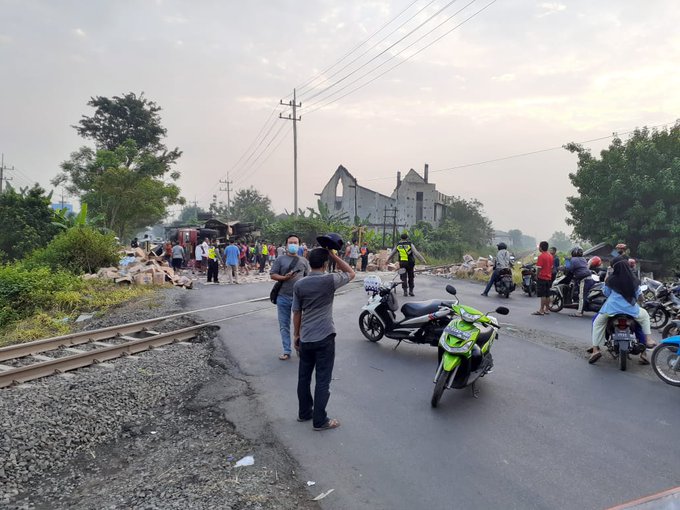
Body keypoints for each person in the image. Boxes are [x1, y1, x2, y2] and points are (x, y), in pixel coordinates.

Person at [293, 247, 355, 431]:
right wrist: (334, 255)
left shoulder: (300, 284)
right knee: (322, 380)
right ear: (326, 263)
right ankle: (320, 421)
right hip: (325, 337)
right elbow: (351, 272)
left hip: (306, 337)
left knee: (303, 377)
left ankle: (304, 413)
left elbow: (297, 312)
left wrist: (296, 334)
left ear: (309, 262)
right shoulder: (330, 280)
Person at [588, 258, 656, 364]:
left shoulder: (611, 279)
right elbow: (639, 296)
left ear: (614, 268)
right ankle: (648, 340)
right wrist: (641, 300)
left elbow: (606, 293)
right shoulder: (634, 280)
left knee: (597, 323)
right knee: (644, 317)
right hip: (631, 310)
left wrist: (607, 276)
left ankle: (595, 349)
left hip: (611, 309)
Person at [270, 234, 310, 360]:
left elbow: (308, 278)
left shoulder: (304, 261)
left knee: (301, 325)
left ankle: (300, 347)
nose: (293, 244)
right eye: (291, 242)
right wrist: (284, 278)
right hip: (283, 297)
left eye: (295, 242)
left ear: (299, 245)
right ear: (286, 245)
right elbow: (272, 275)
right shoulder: (280, 260)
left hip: (299, 298)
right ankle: (287, 350)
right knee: (284, 325)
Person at [569, 246, 593, 317]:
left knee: (581, 296)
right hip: (590, 278)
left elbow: (571, 269)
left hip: (584, 279)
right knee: (585, 295)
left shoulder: (573, 259)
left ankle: (579, 312)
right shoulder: (583, 259)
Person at [532, 241, 554, 315]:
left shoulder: (541, 256)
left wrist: (536, 275)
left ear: (541, 247)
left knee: (543, 294)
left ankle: (541, 310)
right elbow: (551, 267)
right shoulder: (550, 256)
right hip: (549, 277)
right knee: (547, 294)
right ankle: (546, 309)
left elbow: (539, 268)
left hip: (542, 277)